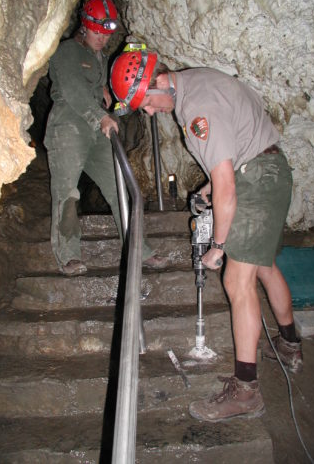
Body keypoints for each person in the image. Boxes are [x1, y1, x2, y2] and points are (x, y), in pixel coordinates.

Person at [110, 45, 303, 422]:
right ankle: (290, 344)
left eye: (145, 102)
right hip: (268, 169)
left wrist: (217, 247)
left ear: (160, 81)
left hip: (256, 181)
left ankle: (246, 391)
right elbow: (229, 159)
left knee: (236, 279)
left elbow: (228, 188)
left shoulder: (197, 109)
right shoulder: (196, 83)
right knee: (262, 266)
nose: (148, 111)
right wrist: (204, 193)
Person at [44, 0, 166, 276]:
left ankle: (139, 249)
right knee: (68, 194)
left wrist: (108, 97)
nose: (103, 38)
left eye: (107, 33)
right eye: (98, 31)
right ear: (85, 27)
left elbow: (94, 89)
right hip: (69, 126)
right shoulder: (66, 52)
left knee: (119, 186)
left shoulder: (97, 57)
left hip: (96, 129)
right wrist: (99, 115)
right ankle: (69, 255)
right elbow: (74, 90)